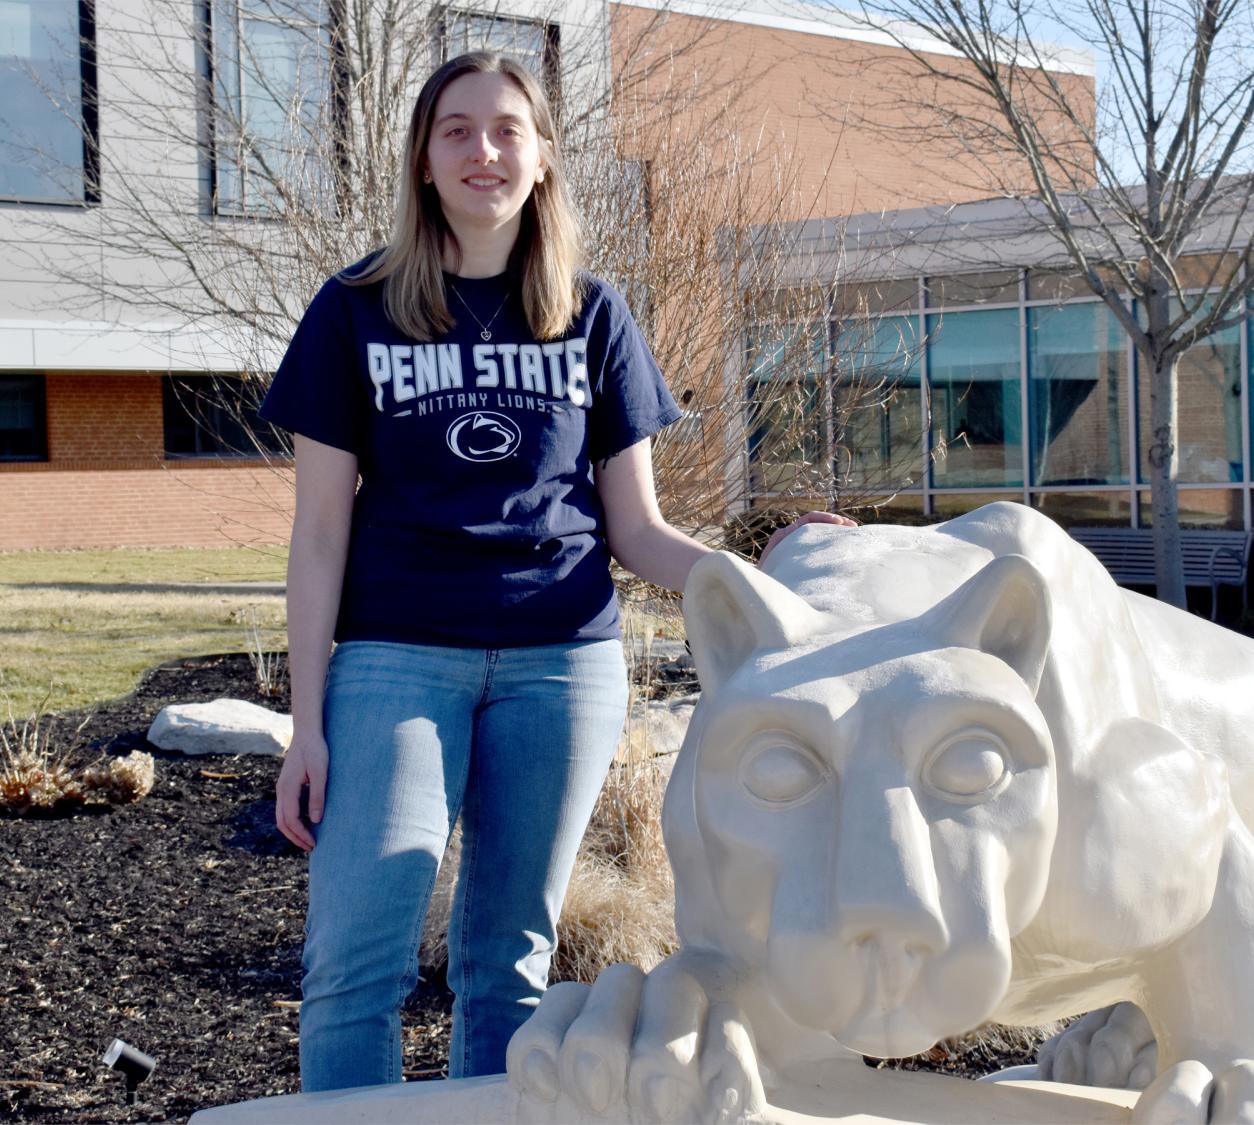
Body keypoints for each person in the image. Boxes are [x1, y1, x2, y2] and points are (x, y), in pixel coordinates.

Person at [259, 50, 853, 1093]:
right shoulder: (354, 309)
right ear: (424, 160)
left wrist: (764, 576)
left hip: (560, 669)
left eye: (506, 130)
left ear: (541, 160)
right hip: (397, 659)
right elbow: (318, 537)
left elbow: (640, 530)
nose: (482, 150)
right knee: (357, 962)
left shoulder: (592, 315)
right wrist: (307, 724)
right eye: (457, 130)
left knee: (509, 967)